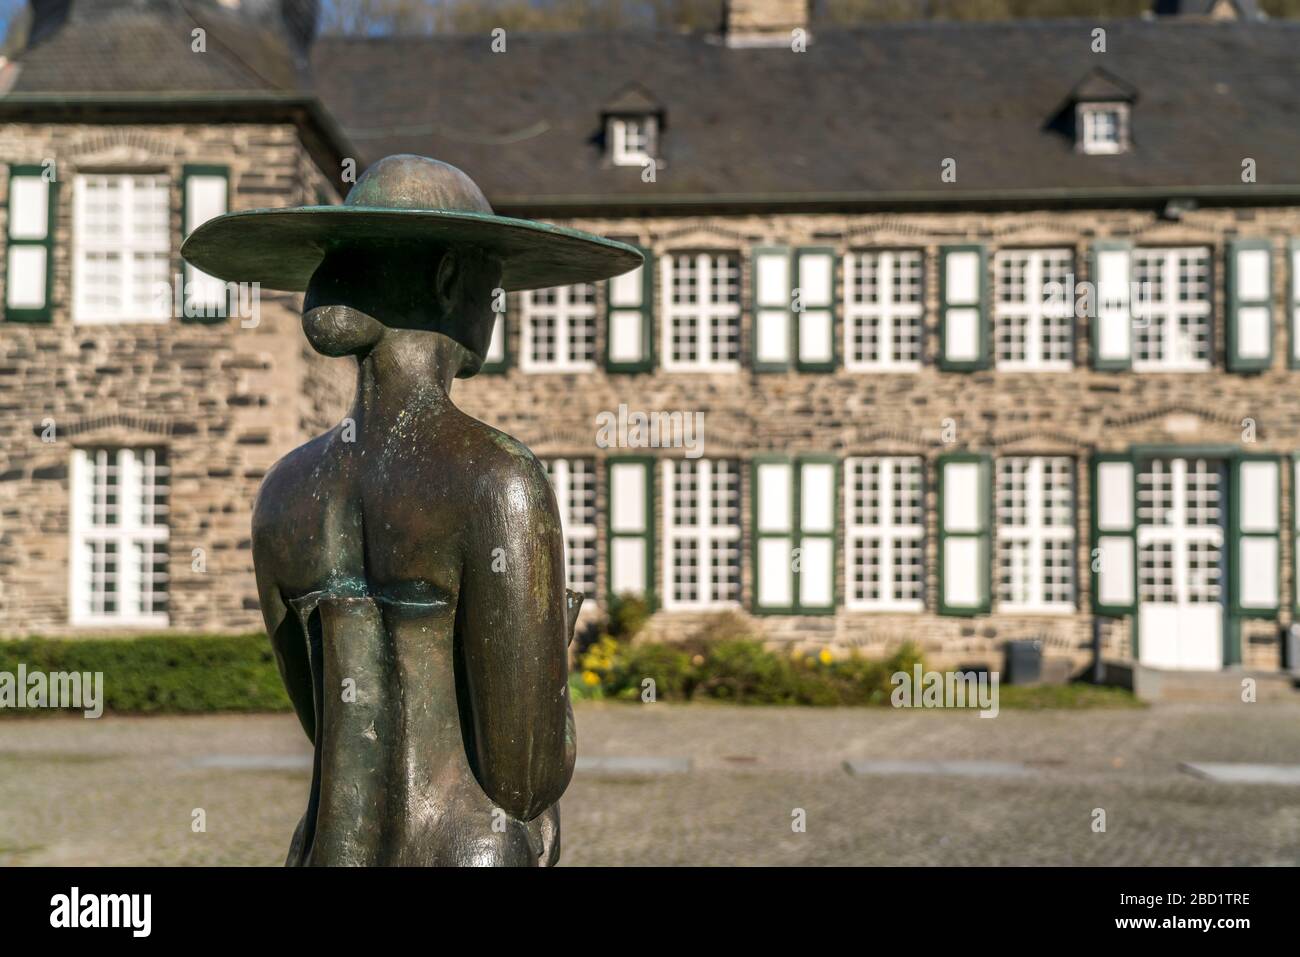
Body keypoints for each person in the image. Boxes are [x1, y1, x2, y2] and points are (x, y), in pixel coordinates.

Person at [182, 154, 641, 865]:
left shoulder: (285, 491)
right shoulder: (497, 479)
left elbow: (328, 721)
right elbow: (525, 774)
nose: (499, 308)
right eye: (494, 284)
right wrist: (553, 655)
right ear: (452, 278)